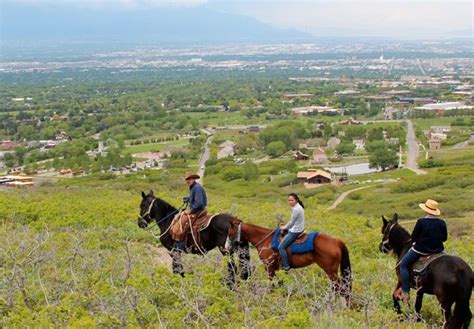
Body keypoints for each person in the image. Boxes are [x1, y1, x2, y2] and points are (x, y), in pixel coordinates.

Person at [397, 199, 447, 302]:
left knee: (403, 265)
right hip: (438, 251)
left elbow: (414, 237)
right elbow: (444, 238)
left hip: (421, 250)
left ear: (426, 210)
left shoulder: (421, 222)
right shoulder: (442, 222)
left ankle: (405, 291)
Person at [171, 172, 208, 251]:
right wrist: (187, 198)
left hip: (197, 210)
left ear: (193, 179)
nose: (187, 181)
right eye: (186, 179)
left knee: (182, 225)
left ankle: (179, 248)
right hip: (195, 209)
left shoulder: (197, 188)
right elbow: (194, 198)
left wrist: (190, 210)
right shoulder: (193, 187)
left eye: (189, 179)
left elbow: (199, 203)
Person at [278, 193, 305, 271]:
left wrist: (284, 227)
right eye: (289, 200)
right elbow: (292, 221)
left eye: (292, 200)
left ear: (296, 200)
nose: (290, 202)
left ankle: (286, 266)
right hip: (299, 228)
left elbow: (292, 222)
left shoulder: (296, 209)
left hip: (296, 230)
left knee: (281, 247)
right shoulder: (297, 207)